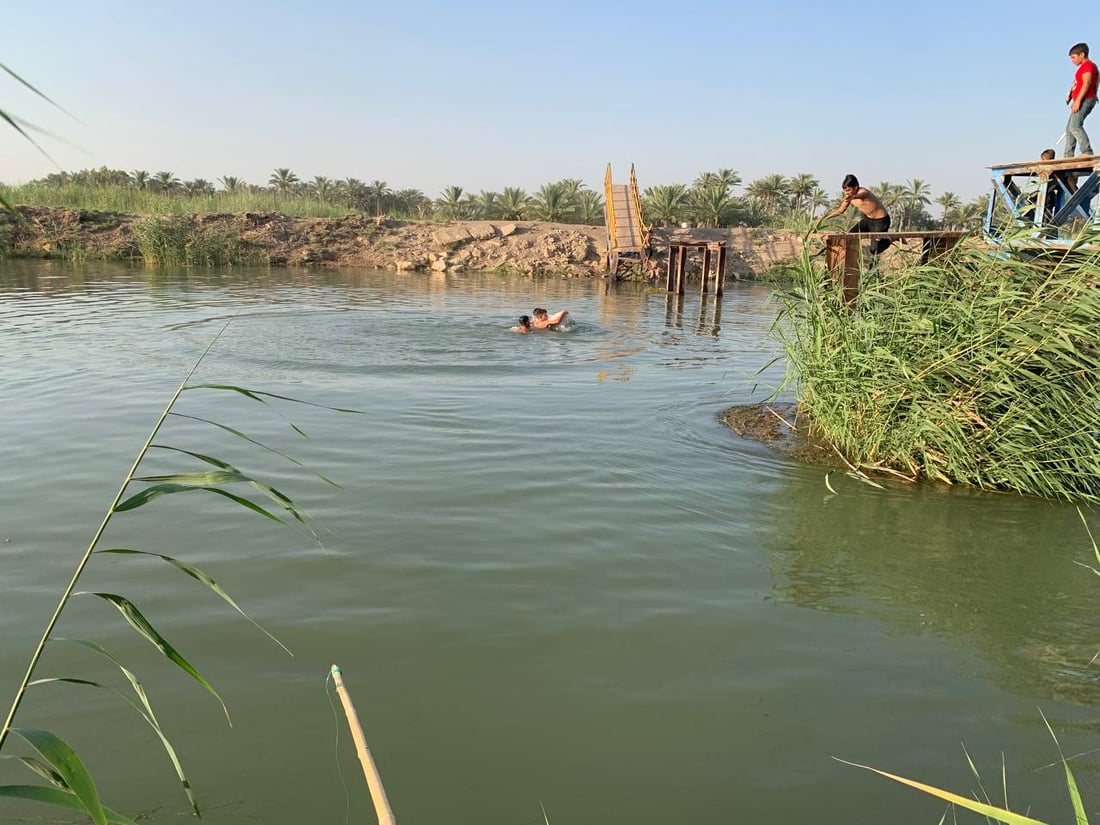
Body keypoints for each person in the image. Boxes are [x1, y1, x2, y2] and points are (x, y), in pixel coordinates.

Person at [821, 174, 892, 255]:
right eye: (845, 190)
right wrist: (825, 218)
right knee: (849, 236)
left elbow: (863, 195)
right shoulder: (848, 197)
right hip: (867, 220)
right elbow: (840, 210)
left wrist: (853, 197)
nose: (846, 193)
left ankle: (890, 239)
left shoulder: (862, 191)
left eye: (848, 190)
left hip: (881, 221)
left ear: (855, 187)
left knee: (874, 250)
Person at [1064, 42, 1098, 158]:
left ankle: (1087, 151)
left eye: (1073, 57)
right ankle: (1068, 156)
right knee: (1069, 129)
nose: (1072, 60)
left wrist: (1078, 100)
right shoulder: (1082, 68)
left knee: (1075, 126)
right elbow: (1078, 83)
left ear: (1082, 54)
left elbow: (1087, 82)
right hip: (1080, 99)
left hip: (1085, 99)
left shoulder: (1088, 66)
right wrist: (1070, 95)